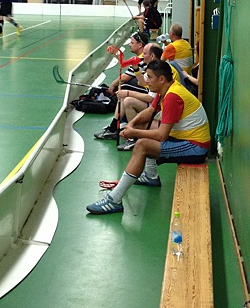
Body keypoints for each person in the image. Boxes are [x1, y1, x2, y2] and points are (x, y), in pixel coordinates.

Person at [86, 59, 210, 215]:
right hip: (183, 138)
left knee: (142, 145)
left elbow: (161, 135)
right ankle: (150, 176)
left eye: (150, 77)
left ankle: (114, 200)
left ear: (161, 79)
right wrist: (132, 124)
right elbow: (150, 111)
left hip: (196, 147)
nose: (146, 81)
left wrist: (134, 133)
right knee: (142, 127)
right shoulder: (165, 90)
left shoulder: (173, 96)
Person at [94, 31, 148, 141]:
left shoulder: (141, 59)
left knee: (124, 88)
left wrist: (112, 85)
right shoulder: (141, 57)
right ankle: (117, 125)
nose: (129, 45)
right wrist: (117, 54)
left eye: (132, 43)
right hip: (146, 89)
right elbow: (126, 65)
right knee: (125, 88)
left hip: (149, 92)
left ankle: (115, 127)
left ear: (140, 45)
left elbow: (125, 77)